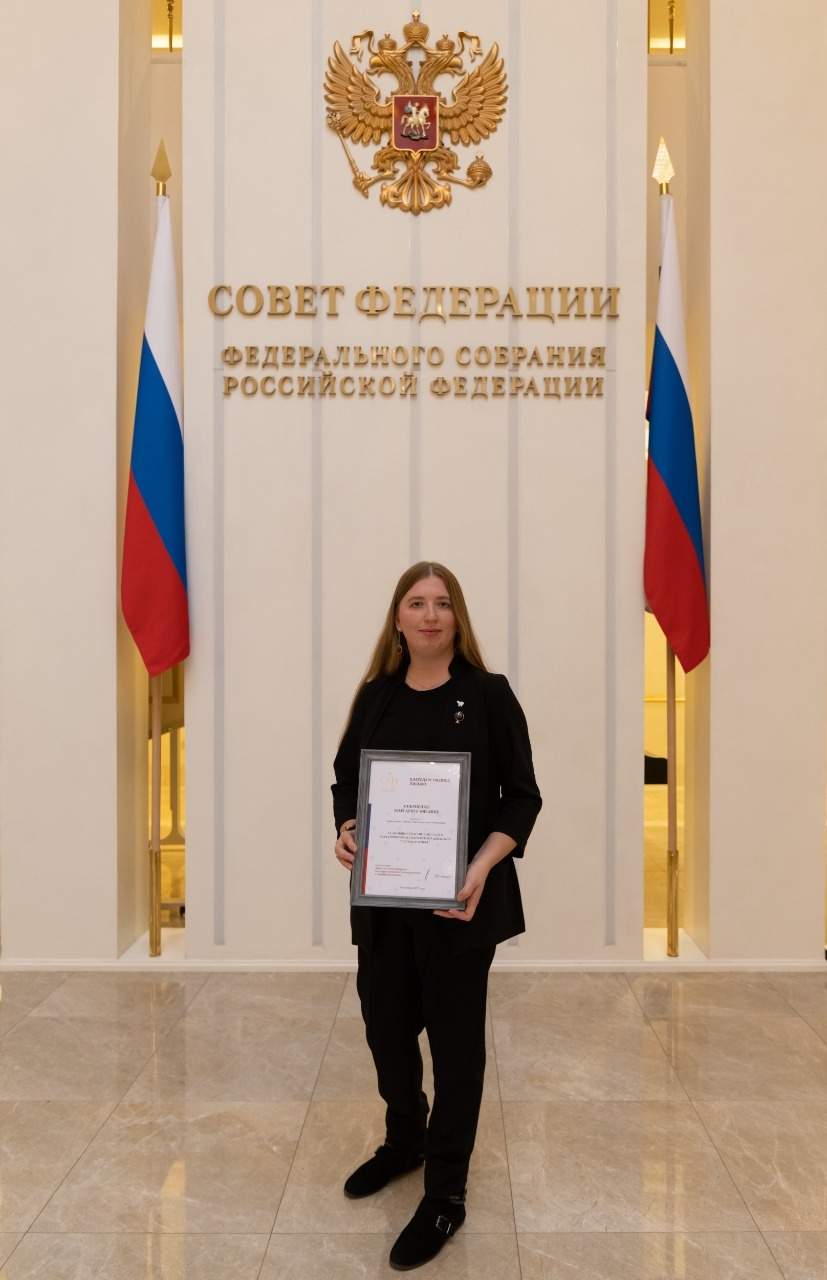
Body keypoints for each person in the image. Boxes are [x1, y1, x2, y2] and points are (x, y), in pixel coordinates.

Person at [332, 561, 541, 1271]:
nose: (429, 615)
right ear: (397, 617)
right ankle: (405, 1140)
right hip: (384, 907)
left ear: (458, 618)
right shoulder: (377, 695)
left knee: (455, 1050)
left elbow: (522, 797)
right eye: (416, 603)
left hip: (460, 908)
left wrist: (479, 866)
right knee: (385, 1029)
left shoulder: (487, 694)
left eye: (442, 603)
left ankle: (445, 1191)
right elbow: (346, 781)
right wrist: (347, 829)